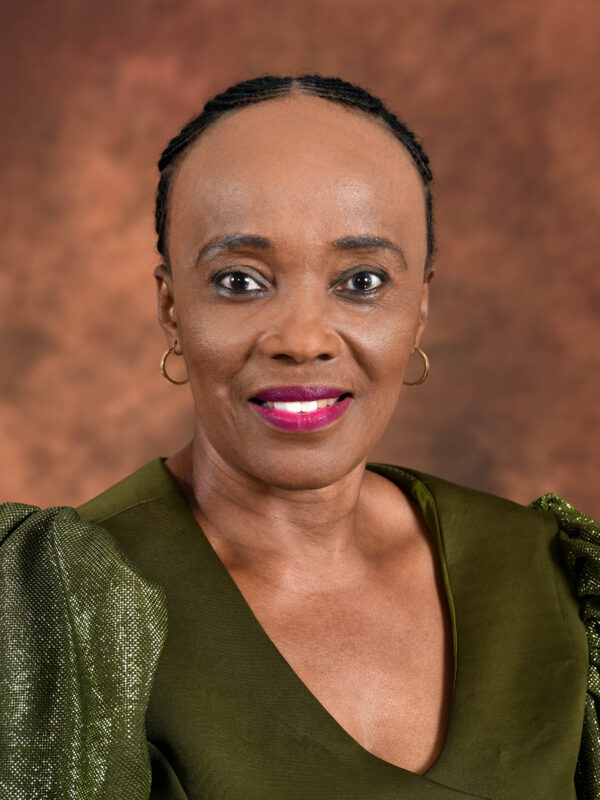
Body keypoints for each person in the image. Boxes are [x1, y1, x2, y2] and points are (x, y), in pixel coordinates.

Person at [1, 74, 598, 800]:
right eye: (240, 282)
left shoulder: (546, 573)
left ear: (419, 309)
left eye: (362, 281)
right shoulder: (60, 610)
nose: (303, 340)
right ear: (171, 307)